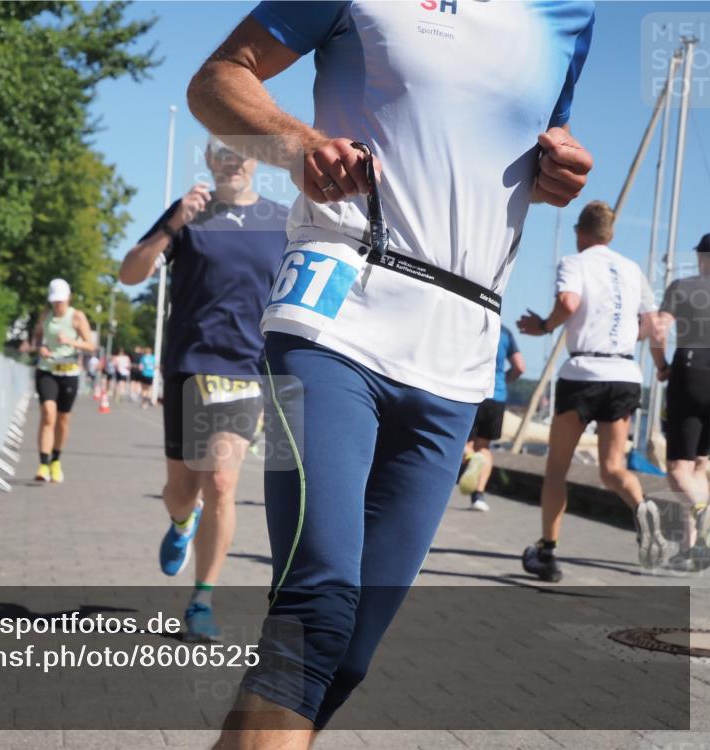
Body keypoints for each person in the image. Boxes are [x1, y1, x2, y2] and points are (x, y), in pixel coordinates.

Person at [185, 2, 595, 746]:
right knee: (316, 612)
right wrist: (298, 145)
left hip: (458, 348)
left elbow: (525, 148)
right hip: (334, 312)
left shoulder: (569, 14)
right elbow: (215, 81)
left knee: (347, 657)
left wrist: (554, 169)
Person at [119, 135, 288, 640]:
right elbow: (130, 274)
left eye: (241, 151)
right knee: (181, 492)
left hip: (246, 371)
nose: (233, 160)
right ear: (210, 160)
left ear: (256, 159)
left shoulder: (282, 221)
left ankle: (202, 600)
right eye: (222, 152)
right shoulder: (188, 213)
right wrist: (173, 225)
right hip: (189, 369)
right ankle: (180, 522)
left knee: (221, 483)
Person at [518, 201, 665, 582]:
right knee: (613, 468)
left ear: (580, 232)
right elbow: (652, 325)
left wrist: (544, 326)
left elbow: (568, 302)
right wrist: (636, 344)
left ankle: (547, 553)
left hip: (584, 372)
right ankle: (642, 508)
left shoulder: (575, 262)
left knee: (556, 469)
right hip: (624, 373)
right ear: (610, 234)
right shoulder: (632, 270)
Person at [650, 233, 710, 570]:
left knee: (677, 469)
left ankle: (703, 515)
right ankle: (694, 549)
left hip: (691, 375)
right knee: (699, 465)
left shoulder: (683, 287)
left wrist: (661, 366)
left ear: (701, 258)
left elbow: (658, 331)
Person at [32, 278, 95, 483]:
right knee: (48, 414)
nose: (57, 305)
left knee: (62, 419)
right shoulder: (45, 316)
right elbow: (37, 336)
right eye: (54, 301)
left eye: (60, 301)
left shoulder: (77, 317)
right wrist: (40, 347)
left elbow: (90, 346)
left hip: (69, 372)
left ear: (68, 298)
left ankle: (56, 460)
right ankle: (43, 464)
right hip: (47, 370)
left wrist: (70, 341)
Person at [458, 325, 526, 511]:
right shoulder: (505, 333)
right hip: (497, 397)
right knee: (485, 447)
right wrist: (504, 380)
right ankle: (478, 496)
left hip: (473, 393)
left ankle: (470, 458)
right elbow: (520, 367)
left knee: (465, 442)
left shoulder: (475, 324)